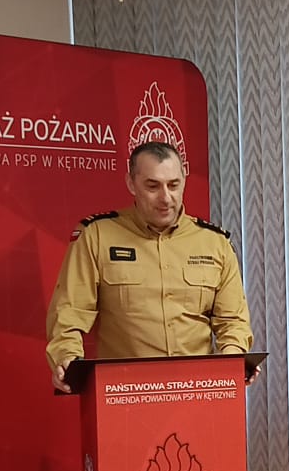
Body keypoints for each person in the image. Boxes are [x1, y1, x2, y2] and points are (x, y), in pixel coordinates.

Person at [46, 141, 253, 391]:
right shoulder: (97, 236)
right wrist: (67, 358)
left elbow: (233, 321)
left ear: (184, 180)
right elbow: (69, 313)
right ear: (131, 183)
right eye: (153, 186)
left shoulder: (214, 242)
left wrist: (232, 360)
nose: (165, 198)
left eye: (173, 185)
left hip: (197, 390)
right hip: (124, 392)